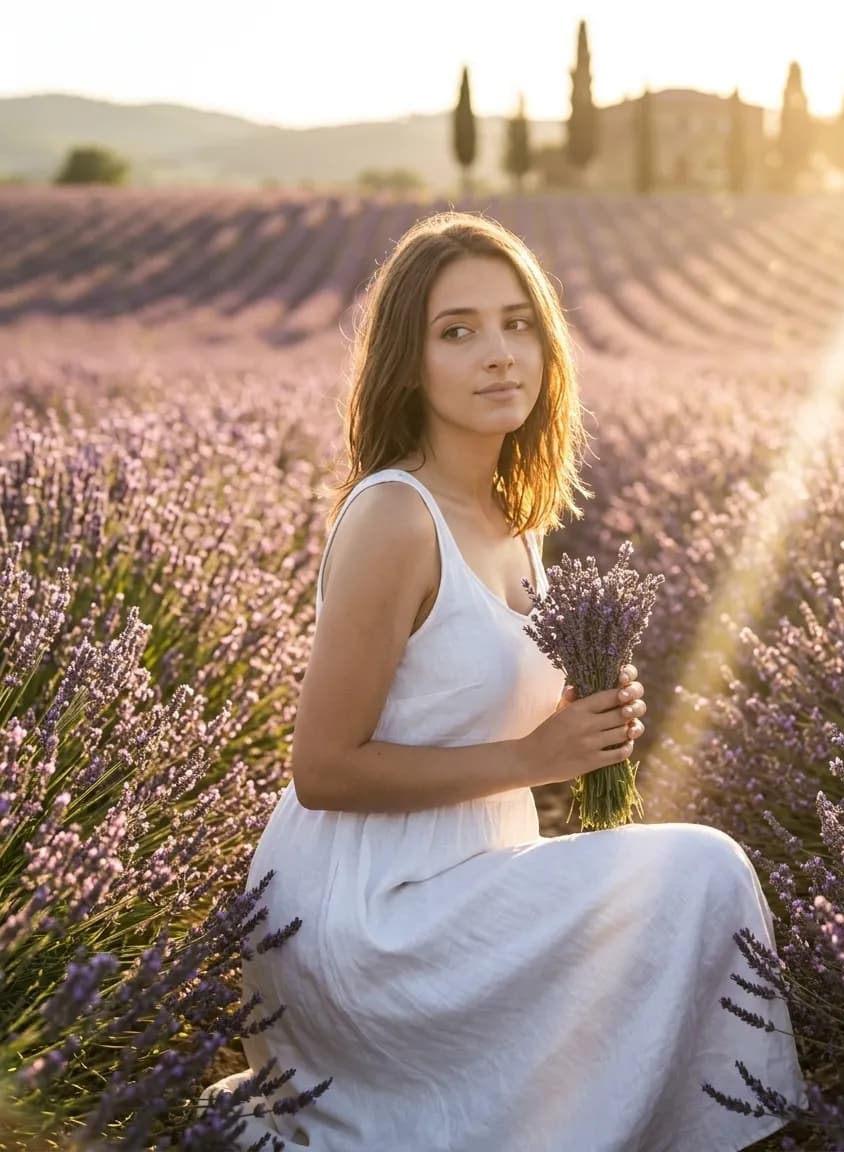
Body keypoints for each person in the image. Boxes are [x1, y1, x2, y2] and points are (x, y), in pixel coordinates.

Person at [200, 211, 807, 1151]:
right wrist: (534, 756)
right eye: (458, 331)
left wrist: (581, 720)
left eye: (518, 324)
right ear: (408, 364)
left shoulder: (509, 519)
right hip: (370, 914)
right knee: (702, 870)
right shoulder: (394, 517)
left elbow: (462, 708)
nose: (498, 353)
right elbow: (321, 769)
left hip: (468, 878)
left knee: (677, 889)